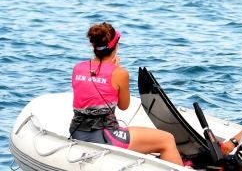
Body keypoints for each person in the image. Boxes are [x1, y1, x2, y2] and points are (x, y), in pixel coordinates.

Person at [69, 23, 183, 165]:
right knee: (167, 139)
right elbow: (124, 105)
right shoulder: (120, 73)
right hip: (104, 136)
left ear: (94, 46)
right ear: (115, 47)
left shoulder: (77, 68)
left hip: (77, 131)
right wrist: (115, 68)